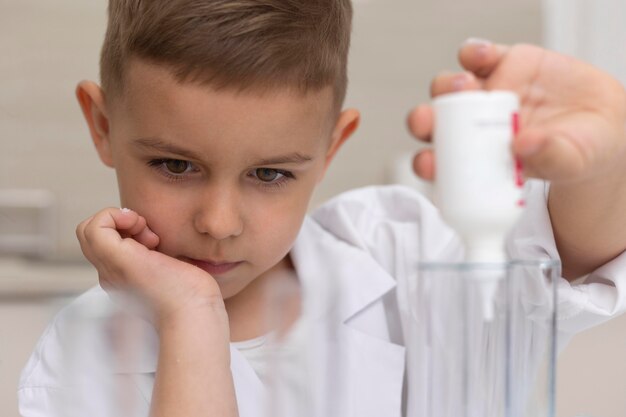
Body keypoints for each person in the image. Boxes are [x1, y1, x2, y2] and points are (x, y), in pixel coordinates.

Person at [18, 1, 626, 416]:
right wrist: (191, 318)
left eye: (270, 173)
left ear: (331, 147)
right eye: (175, 166)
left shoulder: (399, 251)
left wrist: (607, 148)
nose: (219, 223)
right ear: (102, 124)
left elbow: (576, 255)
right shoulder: (78, 355)